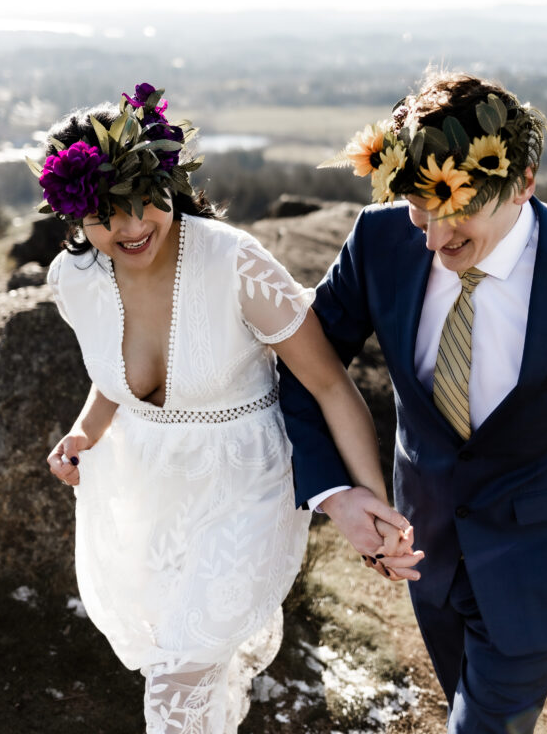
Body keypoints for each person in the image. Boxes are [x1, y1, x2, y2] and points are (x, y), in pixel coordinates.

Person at [31, 82, 421, 734]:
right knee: (179, 657)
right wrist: (81, 436)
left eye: (140, 203)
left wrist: (368, 497)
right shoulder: (72, 282)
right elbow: (112, 381)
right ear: (73, 215)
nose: (129, 228)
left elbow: (328, 384)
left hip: (246, 487)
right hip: (143, 492)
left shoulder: (234, 262)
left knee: (175, 680)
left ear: (167, 181)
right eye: (105, 214)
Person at [278, 70, 547, 734]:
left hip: (539, 564)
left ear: (521, 180)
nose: (432, 241)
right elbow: (301, 372)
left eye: (453, 212)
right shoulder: (378, 243)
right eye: (418, 211)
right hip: (423, 550)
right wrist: (335, 494)